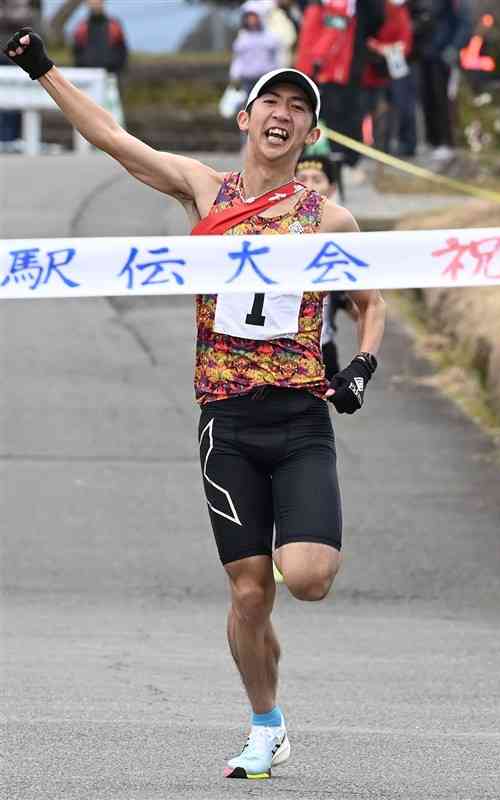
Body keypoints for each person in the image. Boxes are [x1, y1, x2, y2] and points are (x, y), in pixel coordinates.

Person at [3, 26, 386, 779]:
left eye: (297, 108)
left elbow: (373, 300)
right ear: (245, 119)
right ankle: (266, 725)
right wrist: (43, 70)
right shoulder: (205, 191)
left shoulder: (327, 219)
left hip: (301, 417)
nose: (282, 114)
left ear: (311, 132)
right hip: (228, 422)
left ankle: (288, 554)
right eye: (269, 102)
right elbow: (114, 138)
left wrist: (364, 364)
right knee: (249, 592)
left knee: (305, 578)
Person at [294, 0, 385, 187]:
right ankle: (304, 168)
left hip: (346, 71)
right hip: (321, 71)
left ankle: (346, 164)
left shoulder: (354, 9)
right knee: (316, 118)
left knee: (347, 118)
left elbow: (376, 19)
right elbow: (311, 39)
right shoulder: (318, 7)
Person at [295, 154, 359, 379]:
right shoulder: (272, 233)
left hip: (321, 349)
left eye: (317, 179)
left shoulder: (341, 237)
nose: (309, 186)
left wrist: (361, 366)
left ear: (331, 188)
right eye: (301, 178)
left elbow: (365, 309)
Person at [413, 0, 473, 161]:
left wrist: (455, 47)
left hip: (444, 56)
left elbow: (465, 23)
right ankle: (432, 140)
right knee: (426, 98)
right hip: (424, 54)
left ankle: (447, 142)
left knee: (443, 100)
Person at [362, 0, 415, 156]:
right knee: (374, 106)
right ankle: (377, 143)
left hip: (394, 65)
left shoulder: (400, 11)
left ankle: (394, 143)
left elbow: (406, 41)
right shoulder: (376, 8)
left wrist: (387, 49)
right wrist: (379, 48)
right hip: (373, 66)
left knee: (399, 104)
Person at [0, 0, 34, 152]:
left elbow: (23, 20)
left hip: (13, 56)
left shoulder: (20, 5)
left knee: (14, 99)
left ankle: (10, 138)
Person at [229, 2, 281, 99]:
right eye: (249, 17)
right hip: (248, 80)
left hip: (265, 78)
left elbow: (277, 58)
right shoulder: (242, 38)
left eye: (254, 16)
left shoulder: (270, 37)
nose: (252, 20)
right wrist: (234, 76)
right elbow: (238, 59)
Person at [72, 0, 128, 78]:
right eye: (92, 2)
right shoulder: (81, 27)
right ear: (87, 4)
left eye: (98, 2)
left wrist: (116, 70)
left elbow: (122, 51)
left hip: (111, 74)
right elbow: (77, 52)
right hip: (88, 75)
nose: (95, 4)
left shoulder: (114, 25)